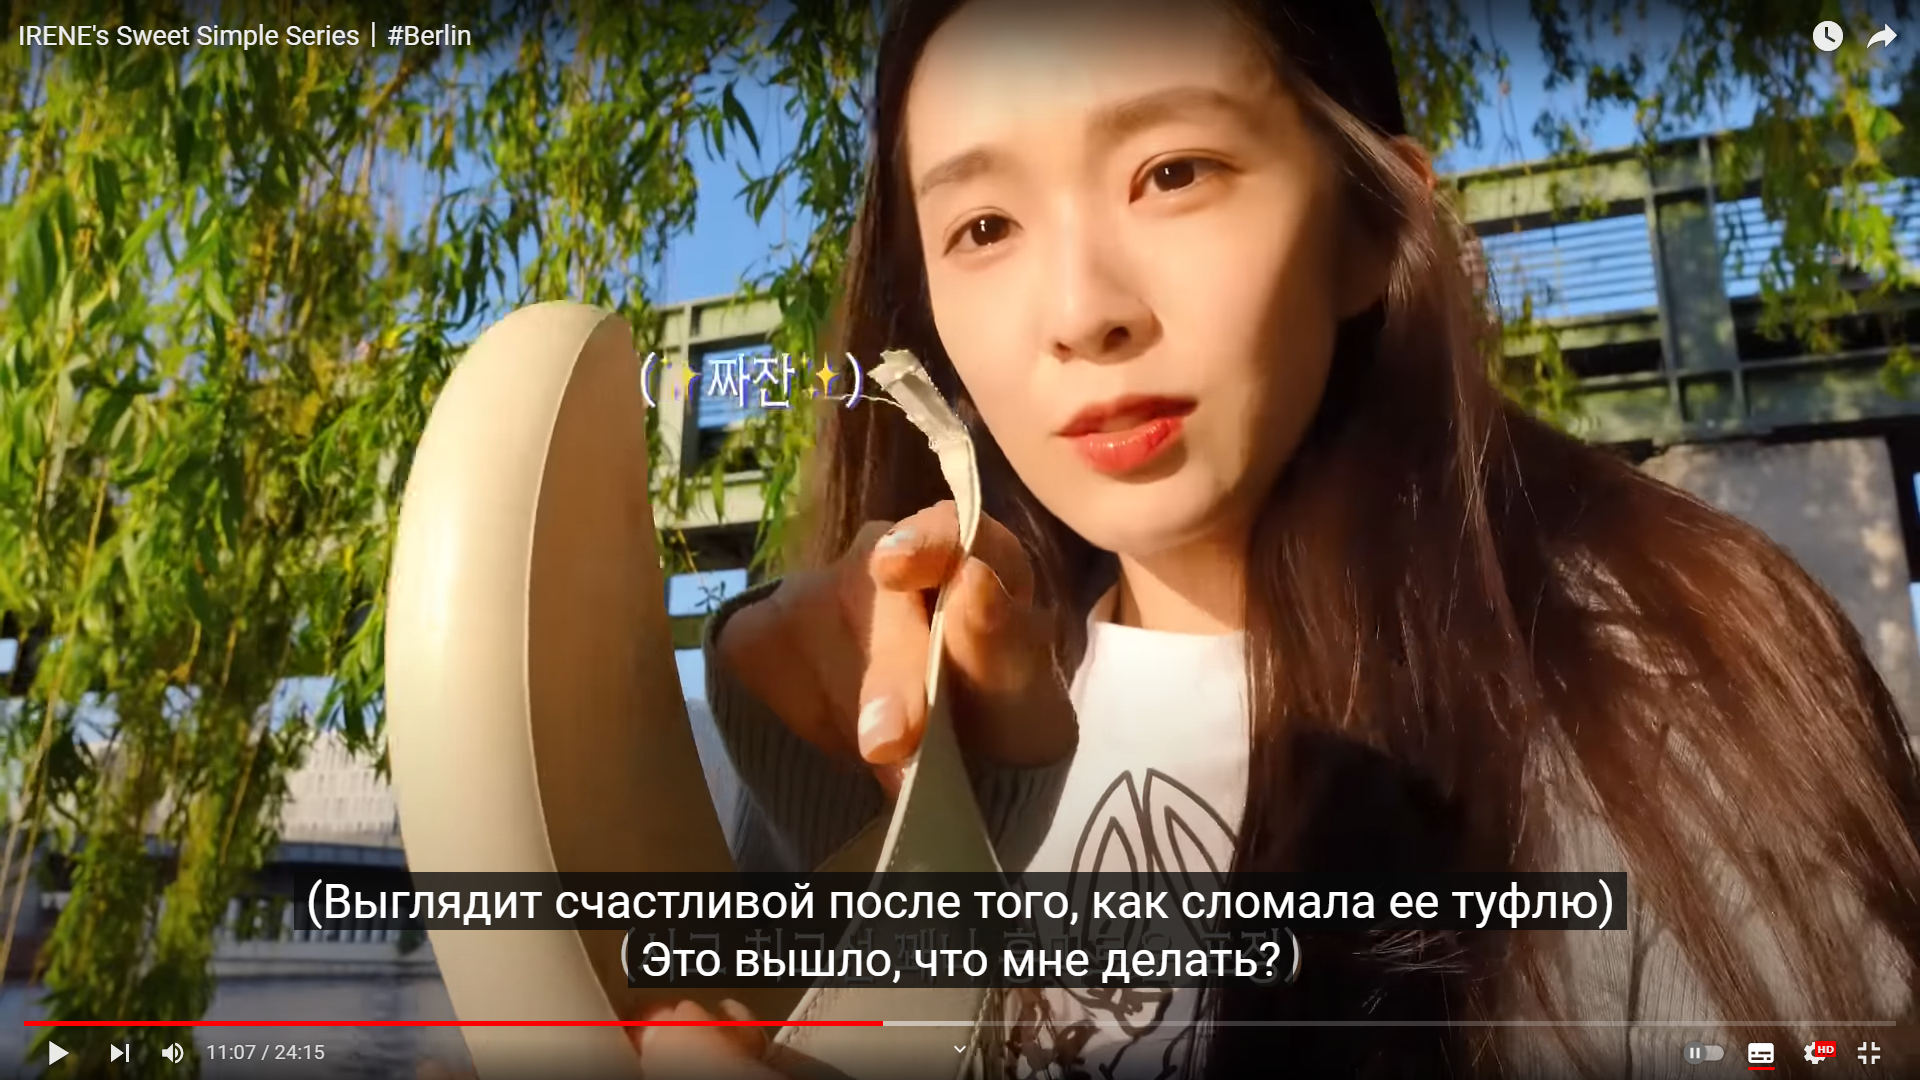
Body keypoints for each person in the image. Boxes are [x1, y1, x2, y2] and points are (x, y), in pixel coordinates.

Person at [632, 0, 1920, 1076]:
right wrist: (840, 850)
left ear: (1375, 223)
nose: (1081, 311)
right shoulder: (908, 719)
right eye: (984, 228)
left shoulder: (1655, 699)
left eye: (1174, 172)